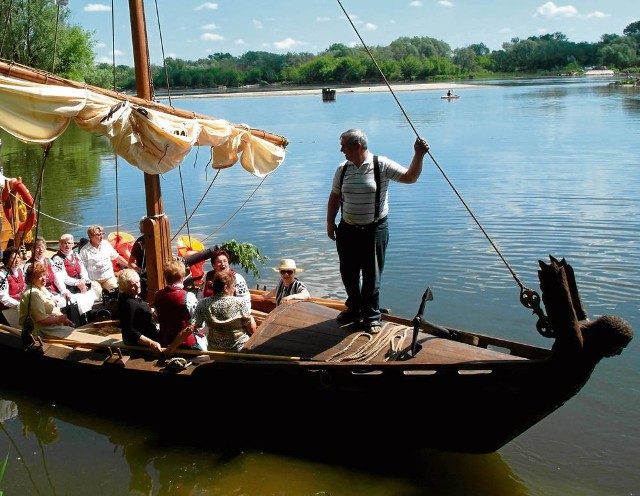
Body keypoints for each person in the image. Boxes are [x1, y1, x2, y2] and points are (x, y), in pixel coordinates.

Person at [326, 128, 429, 334]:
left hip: (374, 229)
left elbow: (410, 177)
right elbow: (335, 196)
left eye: (344, 146)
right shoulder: (342, 169)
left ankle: (372, 315)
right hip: (347, 230)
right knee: (349, 273)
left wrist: (418, 154)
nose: (341, 150)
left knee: (372, 276)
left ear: (357, 146)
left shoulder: (380, 164)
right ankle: (354, 309)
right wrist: (330, 222)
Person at [188, 271, 255, 351]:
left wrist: (172, 348)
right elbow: (251, 329)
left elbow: (190, 327)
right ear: (226, 288)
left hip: (215, 350)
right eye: (233, 286)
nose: (234, 289)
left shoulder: (203, 303)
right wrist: (252, 321)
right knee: (251, 320)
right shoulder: (239, 302)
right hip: (238, 349)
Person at [153, 259, 202, 354]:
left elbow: (157, 318)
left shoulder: (158, 295)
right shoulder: (189, 296)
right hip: (187, 346)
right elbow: (198, 323)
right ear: (182, 276)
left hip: (165, 342)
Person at [19, 262, 74, 337]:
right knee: (74, 336)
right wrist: (60, 319)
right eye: (39, 276)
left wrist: (65, 320)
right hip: (40, 332)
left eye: (44, 275)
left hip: (50, 327)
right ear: (31, 278)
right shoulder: (33, 294)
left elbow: (54, 310)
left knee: (75, 333)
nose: (44, 279)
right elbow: (41, 320)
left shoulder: (41, 288)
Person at [51, 233, 97, 319]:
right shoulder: (57, 259)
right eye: (64, 243)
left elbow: (83, 269)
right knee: (80, 300)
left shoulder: (75, 255)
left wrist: (83, 279)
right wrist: (77, 283)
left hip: (80, 284)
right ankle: (82, 319)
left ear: (72, 244)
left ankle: (90, 316)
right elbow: (62, 277)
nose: (67, 245)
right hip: (70, 287)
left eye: (69, 243)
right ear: (60, 245)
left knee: (93, 292)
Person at [80, 225, 130, 300]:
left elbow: (116, 257)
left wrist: (130, 265)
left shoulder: (106, 244)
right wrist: (84, 280)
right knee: (96, 295)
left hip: (108, 277)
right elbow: (82, 268)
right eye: (98, 235)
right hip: (93, 279)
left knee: (117, 293)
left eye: (102, 234)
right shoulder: (84, 250)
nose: (101, 236)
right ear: (90, 236)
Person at [116, 268, 162, 351]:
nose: (137, 286)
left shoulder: (133, 295)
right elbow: (129, 331)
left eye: (137, 282)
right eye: (132, 285)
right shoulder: (128, 304)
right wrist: (151, 343)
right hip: (141, 344)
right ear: (125, 288)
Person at [0, 246, 26, 327]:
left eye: (18, 257)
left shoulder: (20, 270)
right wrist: (18, 305)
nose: (17, 260)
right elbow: (3, 298)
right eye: (13, 258)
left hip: (20, 304)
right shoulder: (2, 274)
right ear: (7, 260)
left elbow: (25, 287)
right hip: (7, 308)